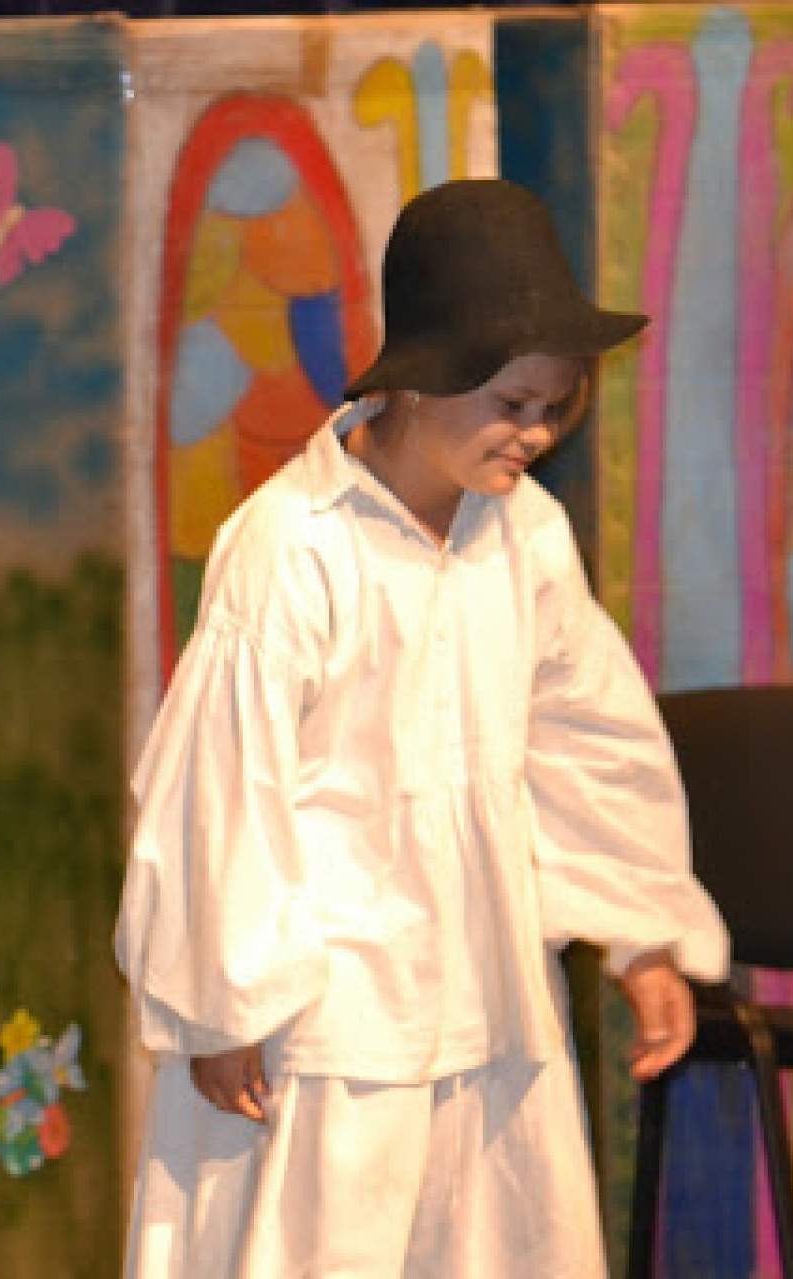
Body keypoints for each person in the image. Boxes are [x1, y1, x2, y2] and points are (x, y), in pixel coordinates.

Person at [114, 178, 729, 1277]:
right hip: (328, 1036)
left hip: (492, 1008)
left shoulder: (527, 539)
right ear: (418, 378)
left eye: (556, 406)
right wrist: (222, 998)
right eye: (513, 401)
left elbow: (587, 744)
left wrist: (643, 936)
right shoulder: (294, 545)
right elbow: (224, 778)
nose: (537, 433)